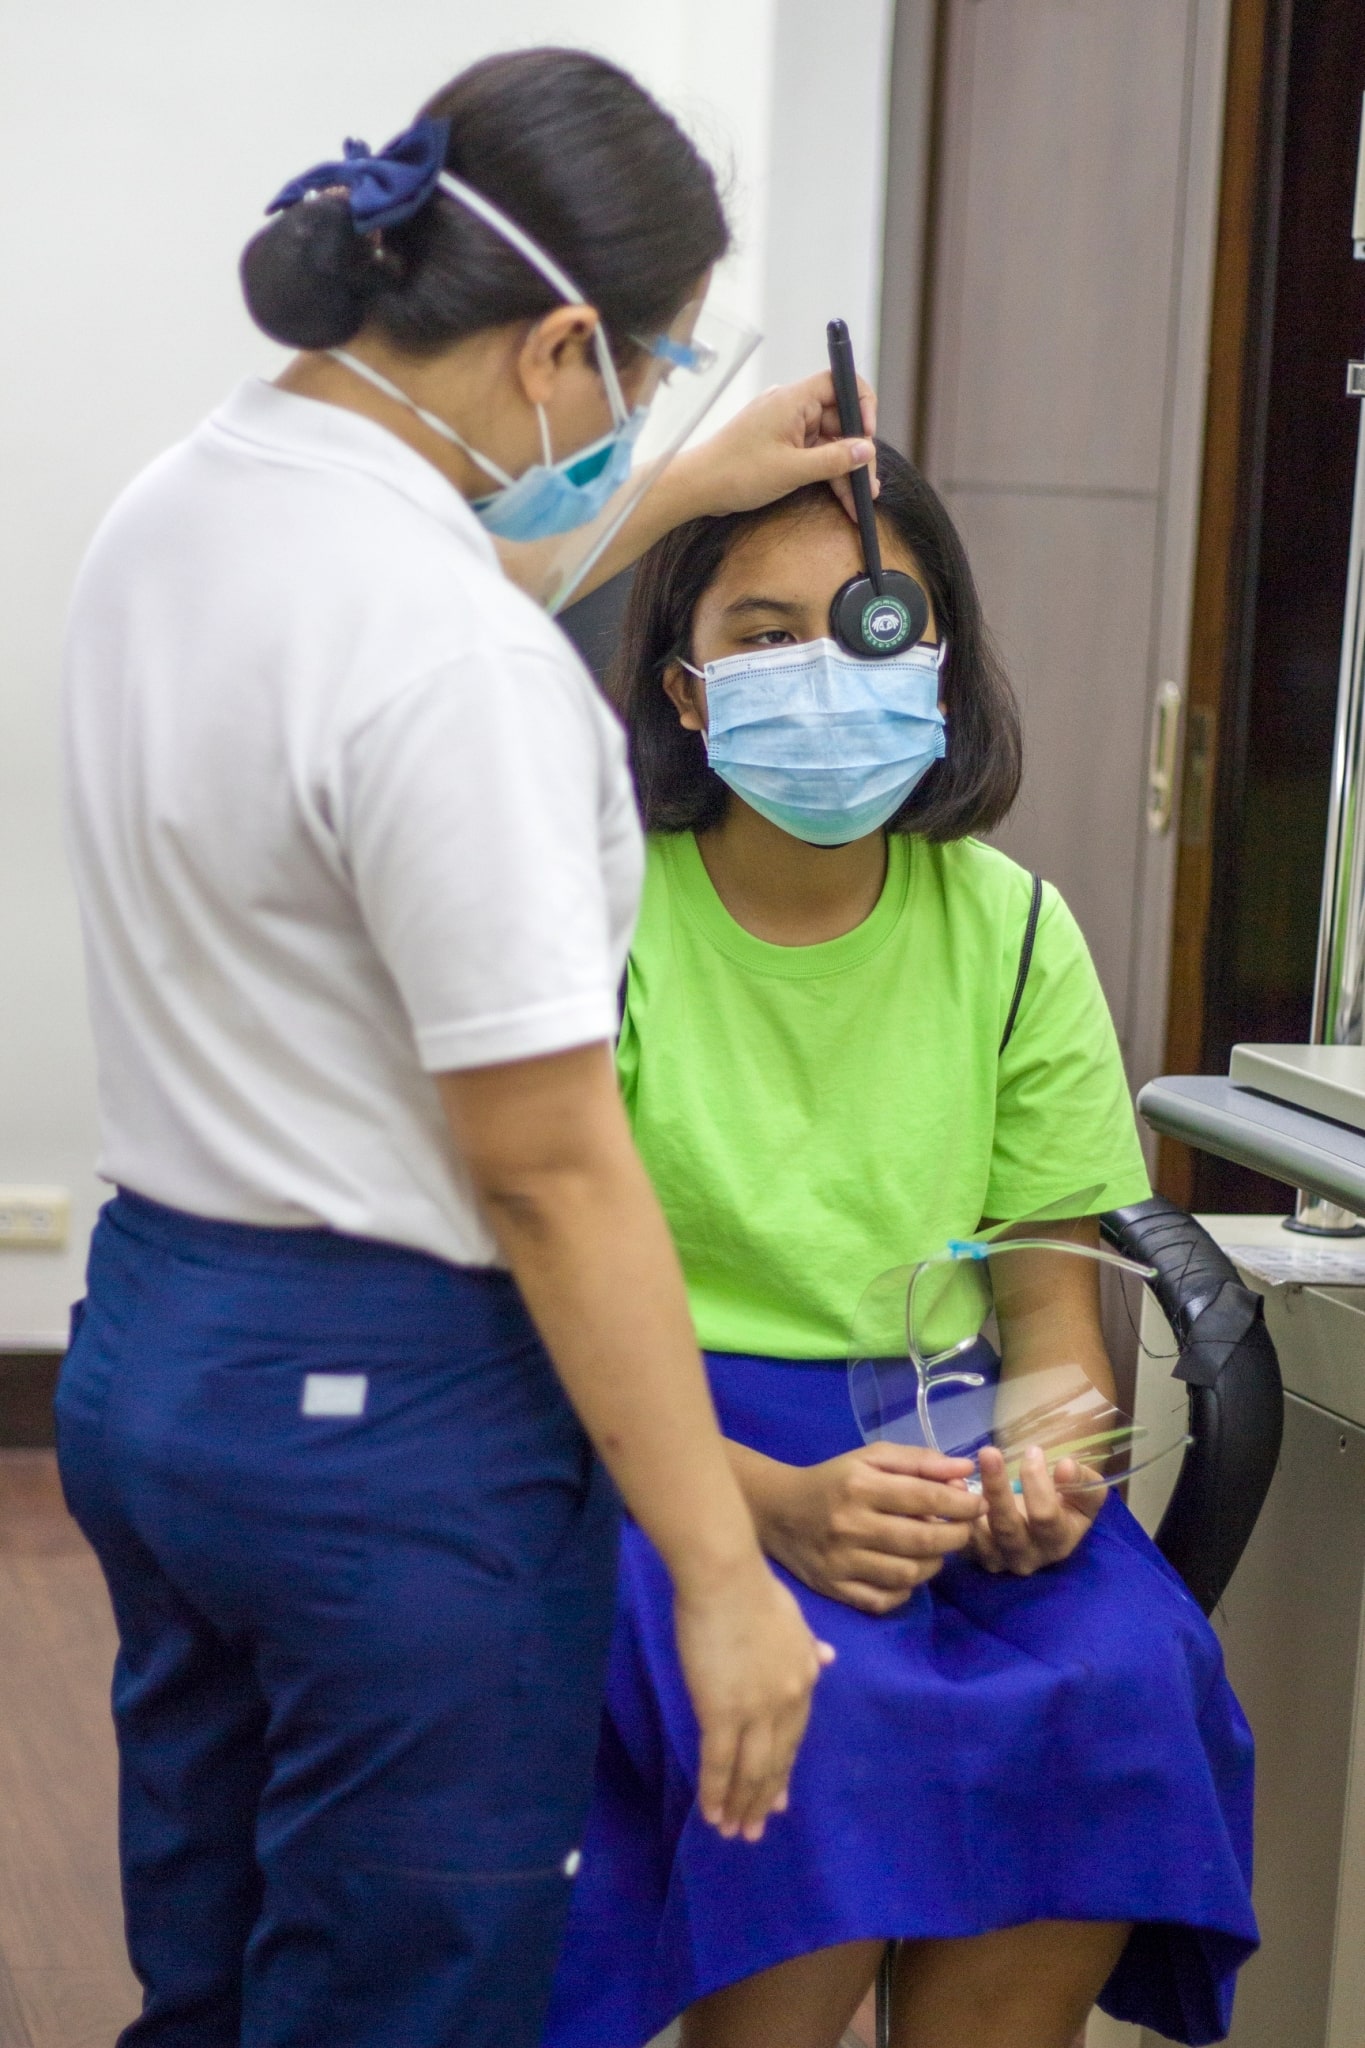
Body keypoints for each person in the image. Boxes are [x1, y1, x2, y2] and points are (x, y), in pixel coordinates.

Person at [55, 47, 886, 2048]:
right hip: (392, 1422)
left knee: (226, 1965)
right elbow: (544, 1163)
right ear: (561, 341)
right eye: (648, 376)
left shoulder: (186, 509)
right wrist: (716, 1566)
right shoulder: (457, 672)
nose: (633, 422)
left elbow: (423, 617)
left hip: (160, 1347)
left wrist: (690, 489)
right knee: (400, 1997)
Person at [542, 447, 1259, 2048]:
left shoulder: (1008, 929)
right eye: (762, 632)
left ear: (936, 657)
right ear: (680, 686)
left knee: (1125, 1682)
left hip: (932, 1437)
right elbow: (535, 1317)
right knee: (830, 1716)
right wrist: (775, 1505)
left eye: (867, 624)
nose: (820, 672)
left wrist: (1045, 1462)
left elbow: (1053, 1322)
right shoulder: (599, 920)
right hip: (661, 1441)